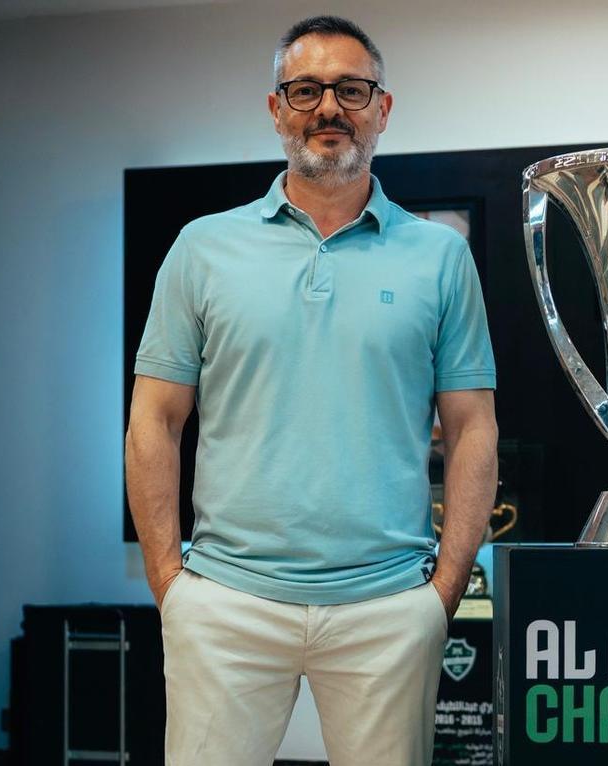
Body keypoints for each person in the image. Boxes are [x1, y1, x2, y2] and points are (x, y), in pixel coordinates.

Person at [124, 15, 498, 766]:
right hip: (226, 602)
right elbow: (154, 422)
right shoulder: (202, 248)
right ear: (276, 108)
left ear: (382, 108)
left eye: (351, 89)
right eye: (306, 89)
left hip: (389, 608)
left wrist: (443, 594)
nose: (328, 107)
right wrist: (173, 586)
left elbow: (472, 429)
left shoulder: (440, 258)